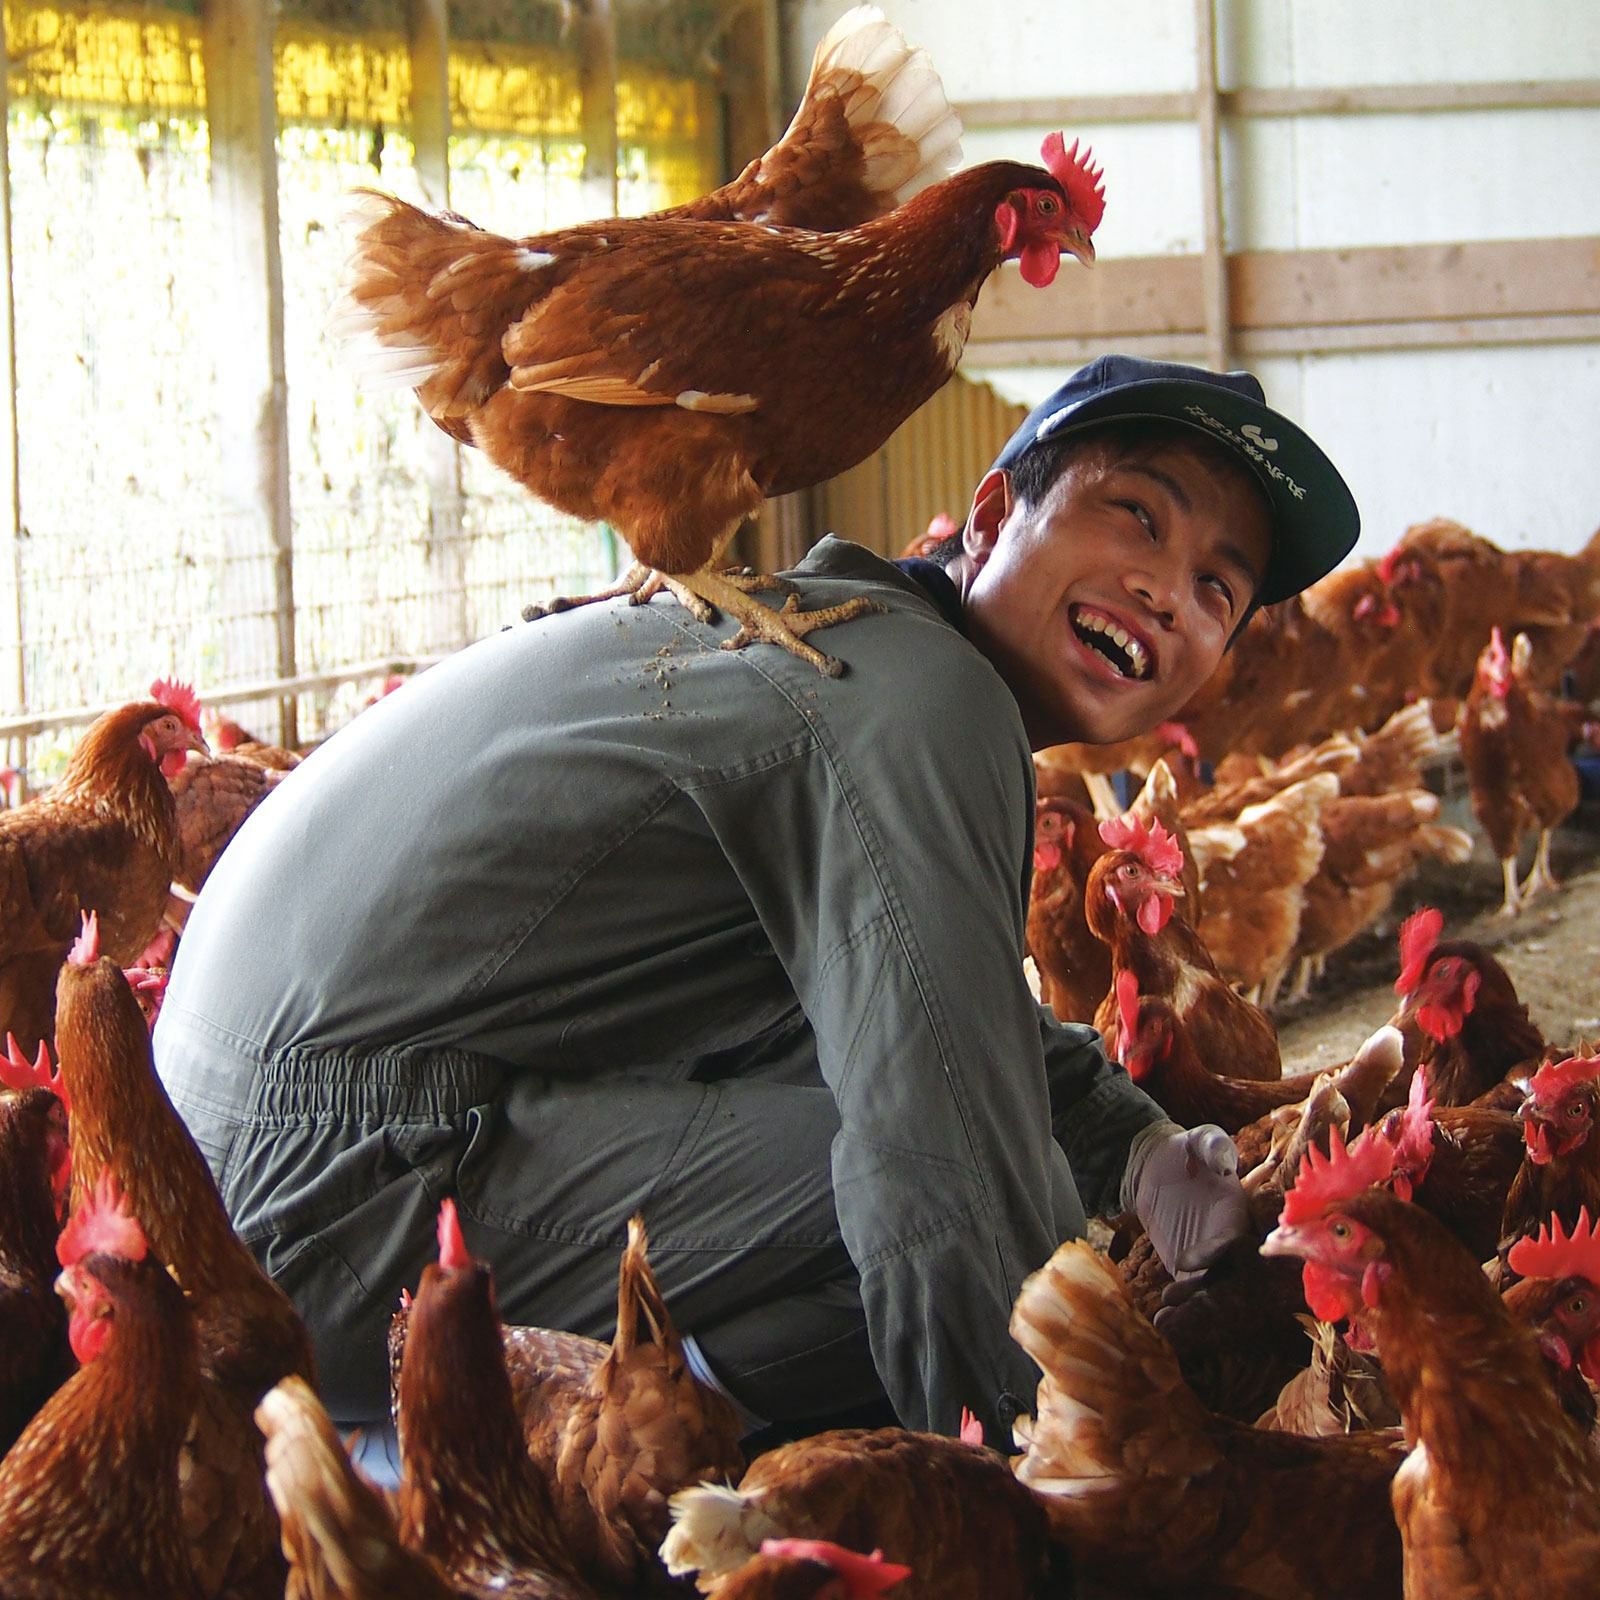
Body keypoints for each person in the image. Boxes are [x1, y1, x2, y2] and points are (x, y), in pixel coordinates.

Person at [153, 354, 1359, 1445]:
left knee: (925, 1116)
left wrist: (1136, 1149)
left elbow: (937, 1004)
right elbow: (946, 1162)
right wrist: (1064, 1487)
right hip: (326, 1191)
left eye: (1217, 588)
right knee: (962, 1207)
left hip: (223, 1156)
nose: (1166, 589)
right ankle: (641, 1497)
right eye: (1136, 515)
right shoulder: (923, 700)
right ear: (992, 514)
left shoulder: (848, 647)